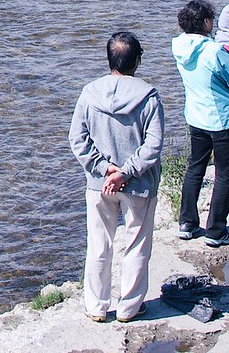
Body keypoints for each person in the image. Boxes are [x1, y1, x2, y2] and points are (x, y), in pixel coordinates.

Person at [70, 31, 165, 325]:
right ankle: (129, 308)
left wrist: (104, 168)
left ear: (109, 60)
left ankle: (97, 307)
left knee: (99, 244)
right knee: (136, 245)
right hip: (139, 185)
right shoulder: (148, 96)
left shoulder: (89, 93)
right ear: (137, 60)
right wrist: (126, 171)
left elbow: (77, 139)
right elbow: (154, 145)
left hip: (100, 185)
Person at [172, 0, 229, 246]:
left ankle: (187, 223)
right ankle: (216, 231)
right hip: (222, 120)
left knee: (195, 167)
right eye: (211, 19)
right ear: (205, 22)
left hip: (195, 116)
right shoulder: (214, 50)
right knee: (224, 175)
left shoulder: (179, 47)